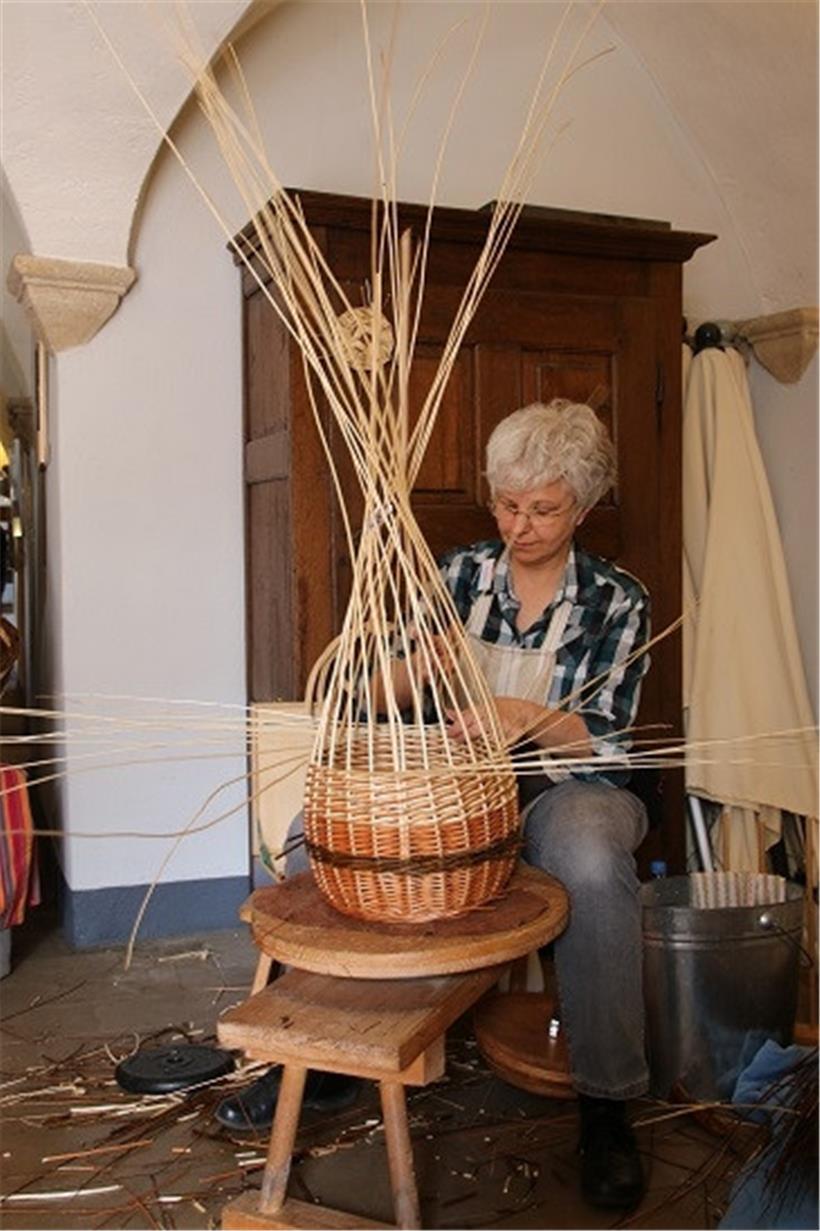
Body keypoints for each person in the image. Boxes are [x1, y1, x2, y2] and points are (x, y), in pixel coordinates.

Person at [217, 400, 651, 1210]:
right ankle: (319, 1058)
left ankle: (606, 1101)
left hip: (563, 788)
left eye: (544, 509)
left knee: (593, 859)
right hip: (449, 788)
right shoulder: (457, 576)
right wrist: (412, 672)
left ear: (583, 508)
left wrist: (524, 716)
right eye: (507, 504)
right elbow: (365, 698)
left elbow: (612, 740)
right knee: (314, 836)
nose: (519, 526)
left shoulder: (615, 600)